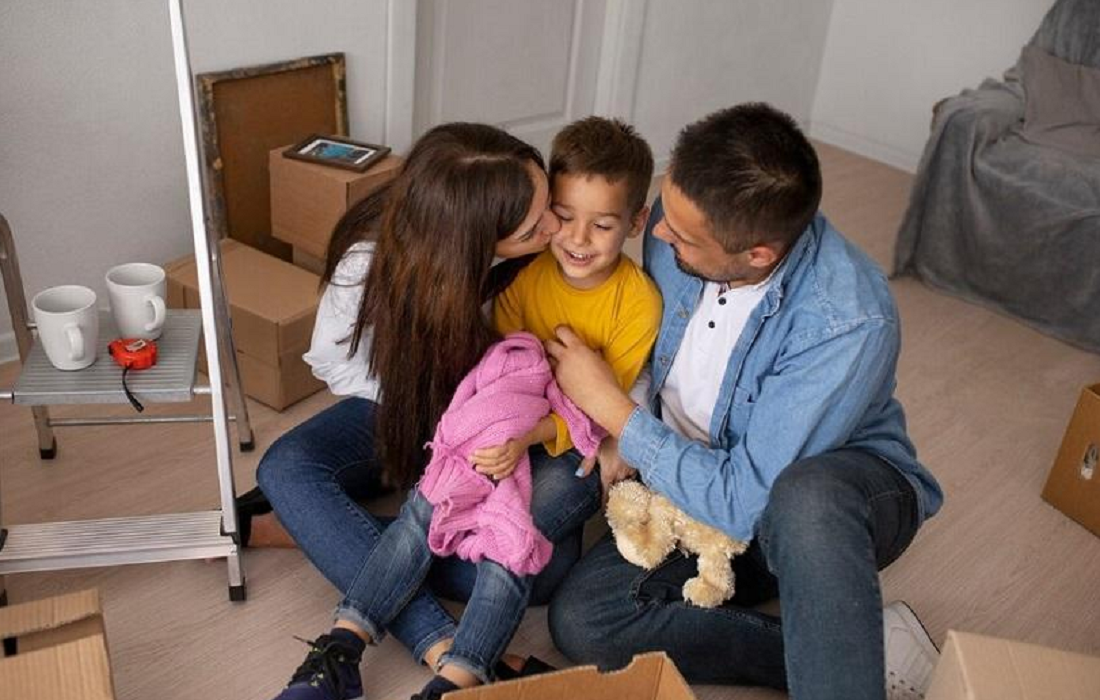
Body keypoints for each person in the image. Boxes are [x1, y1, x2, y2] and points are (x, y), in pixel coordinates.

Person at [544, 103, 945, 700]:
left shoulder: (847, 320)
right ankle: (856, 649)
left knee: (807, 499)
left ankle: (840, 664)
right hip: (690, 482)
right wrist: (629, 411)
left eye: (681, 237)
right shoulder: (678, 222)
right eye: (665, 212)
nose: (657, 234)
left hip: (815, 504)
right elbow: (650, 343)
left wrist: (616, 414)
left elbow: (742, 502)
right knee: (584, 621)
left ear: (757, 253)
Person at [257, 122, 602, 700]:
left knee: (546, 569)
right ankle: (442, 646)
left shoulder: (550, 258)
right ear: (469, 240)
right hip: (411, 412)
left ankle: (316, 531)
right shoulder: (369, 263)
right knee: (285, 468)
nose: (555, 226)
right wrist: (436, 408)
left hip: (508, 430)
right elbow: (333, 363)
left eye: (548, 204)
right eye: (532, 227)